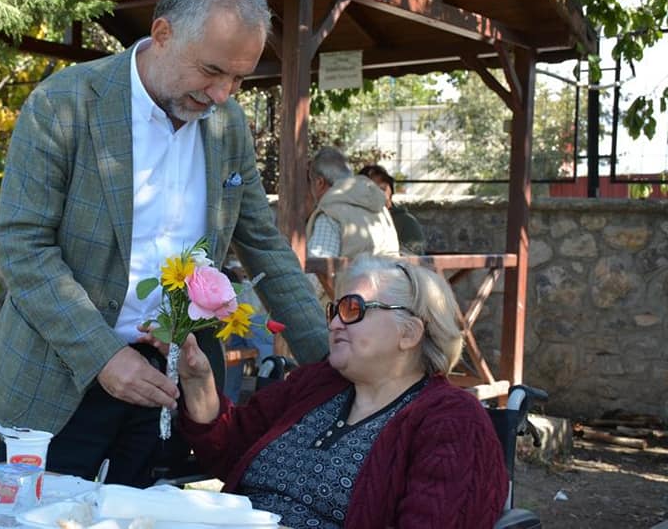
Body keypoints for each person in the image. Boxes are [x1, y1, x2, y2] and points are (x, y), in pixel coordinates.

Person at [0, 0, 329, 488]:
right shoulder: (64, 104)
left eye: (238, 78)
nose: (222, 95)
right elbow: (23, 247)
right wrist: (103, 356)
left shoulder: (227, 125)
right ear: (163, 34)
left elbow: (263, 245)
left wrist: (335, 363)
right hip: (57, 381)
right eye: (212, 71)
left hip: (169, 383)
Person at [166, 254, 508, 529]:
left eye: (353, 309)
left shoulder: (452, 422)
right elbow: (228, 450)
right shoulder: (317, 383)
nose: (333, 324)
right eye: (335, 310)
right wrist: (198, 382)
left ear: (410, 332)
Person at [306, 147, 400, 261]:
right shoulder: (381, 211)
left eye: (310, 183)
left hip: (353, 279)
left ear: (319, 182)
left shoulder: (330, 216)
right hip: (393, 278)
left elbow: (318, 269)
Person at [359, 163, 426, 255]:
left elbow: (414, 259)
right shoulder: (354, 220)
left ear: (391, 191)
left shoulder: (406, 222)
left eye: (382, 189)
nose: (378, 194)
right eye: (371, 189)